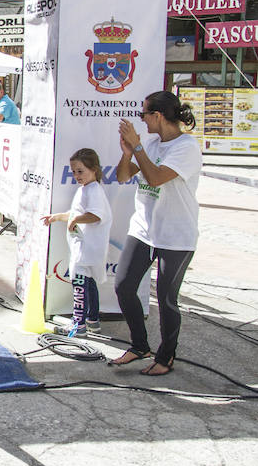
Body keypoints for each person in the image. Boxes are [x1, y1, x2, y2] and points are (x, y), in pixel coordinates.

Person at [109, 91, 201, 375]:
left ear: (158, 116)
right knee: (123, 286)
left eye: (144, 114)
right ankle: (139, 346)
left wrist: (138, 148)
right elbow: (123, 176)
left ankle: (166, 357)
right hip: (144, 230)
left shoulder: (186, 147)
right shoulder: (149, 141)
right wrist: (129, 153)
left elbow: (156, 177)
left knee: (166, 299)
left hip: (176, 235)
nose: (142, 121)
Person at [41, 148, 112, 337]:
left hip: (85, 248)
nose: (76, 175)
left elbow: (96, 215)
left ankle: (78, 324)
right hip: (86, 248)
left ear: (94, 169)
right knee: (89, 283)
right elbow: (75, 213)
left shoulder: (93, 190)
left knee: (80, 283)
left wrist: (75, 221)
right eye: (73, 171)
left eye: (80, 171)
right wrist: (57, 217)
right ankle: (92, 320)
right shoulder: (86, 189)